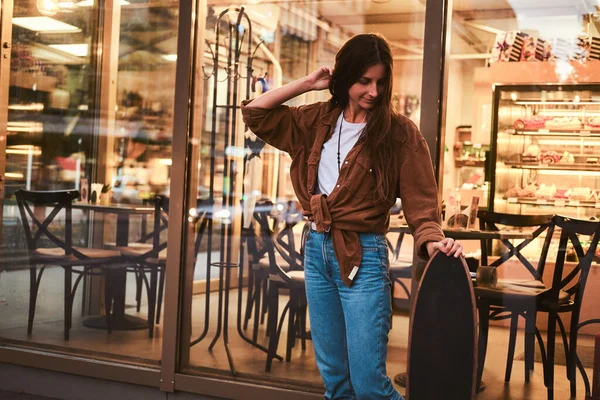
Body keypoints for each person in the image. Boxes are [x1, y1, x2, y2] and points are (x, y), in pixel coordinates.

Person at [241, 33, 463, 400]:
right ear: (344, 79)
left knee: (369, 386)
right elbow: (256, 113)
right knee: (336, 383)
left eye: (380, 82)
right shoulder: (315, 120)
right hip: (317, 250)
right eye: (363, 81)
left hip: (364, 255)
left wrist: (434, 240)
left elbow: (423, 208)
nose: (373, 91)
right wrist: (310, 83)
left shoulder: (399, 134)